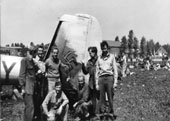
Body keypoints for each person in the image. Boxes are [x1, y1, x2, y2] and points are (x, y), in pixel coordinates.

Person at [95, 41, 118, 116]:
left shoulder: (112, 57)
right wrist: (96, 83)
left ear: (107, 48)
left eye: (105, 48)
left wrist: (115, 82)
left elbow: (115, 70)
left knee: (110, 95)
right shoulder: (99, 58)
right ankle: (103, 113)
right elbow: (97, 71)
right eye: (103, 49)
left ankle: (111, 111)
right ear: (101, 49)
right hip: (101, 78)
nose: (104, 50)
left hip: (109, 78)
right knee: (101, 97)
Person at [19, 46, 38, 121]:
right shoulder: (24, 60)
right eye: (35, 53)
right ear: (32, 52)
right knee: (30, 107)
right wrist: (22, 87)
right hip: (27, 87)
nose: (36, 54)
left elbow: (32, 74)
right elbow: (21, 75)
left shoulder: (32, 61)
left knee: (29, 107)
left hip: (32, 87)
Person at [82, 46, 99, 116]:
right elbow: (85, 72)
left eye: (91, 52)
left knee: (99, 98)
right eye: (89, 53)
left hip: (99, 82)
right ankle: (94, 113)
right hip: (92, 83)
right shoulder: (89, 62)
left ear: (94, 52)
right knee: (93, 99)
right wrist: (83, 64)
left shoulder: (100, 60)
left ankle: (99, 113)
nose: (90, 54)